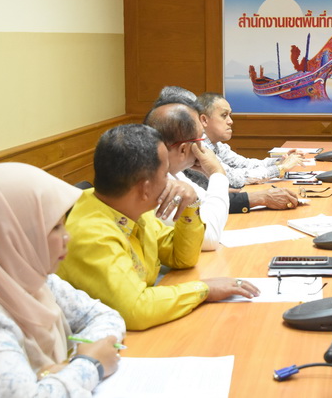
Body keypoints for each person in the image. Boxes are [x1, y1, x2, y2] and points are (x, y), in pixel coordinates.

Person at [0, 163, 126, 396]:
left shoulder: (30, 280)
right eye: (54, 227)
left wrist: (65, 369)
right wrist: (89, 364)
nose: (67, 237)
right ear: (7, 237)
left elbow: (103, 315)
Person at [56, 125, 259, 331]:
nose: (170, 180)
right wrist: (204, 289)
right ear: (145, 188)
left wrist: (190, 203)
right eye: (165, 173)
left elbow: (181, 257)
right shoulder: (92, 233)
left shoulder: (131, 207)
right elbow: (136, 309)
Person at [153, 87, 301, 214]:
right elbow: (229, 187)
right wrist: (278, 170)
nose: (230, 121)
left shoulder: (177, 166)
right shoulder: (185, 152)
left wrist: (278, 163)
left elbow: (207, 198)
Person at [144, 102, 230, 250]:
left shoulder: (174, 173)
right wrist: (217, 173)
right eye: (200, 140)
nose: (203, 147)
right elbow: (208, 236)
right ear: (183, 149)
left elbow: (207, 207)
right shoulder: (155, 184)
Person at [197, 92, 304, 189]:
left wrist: (280, 161)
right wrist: (280, 168)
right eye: (224, 115)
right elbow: (234, 179)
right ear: (204, 120)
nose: (230, 121)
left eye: (230, 115)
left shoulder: (216, 144)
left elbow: (245, 164)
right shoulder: (199, 147)